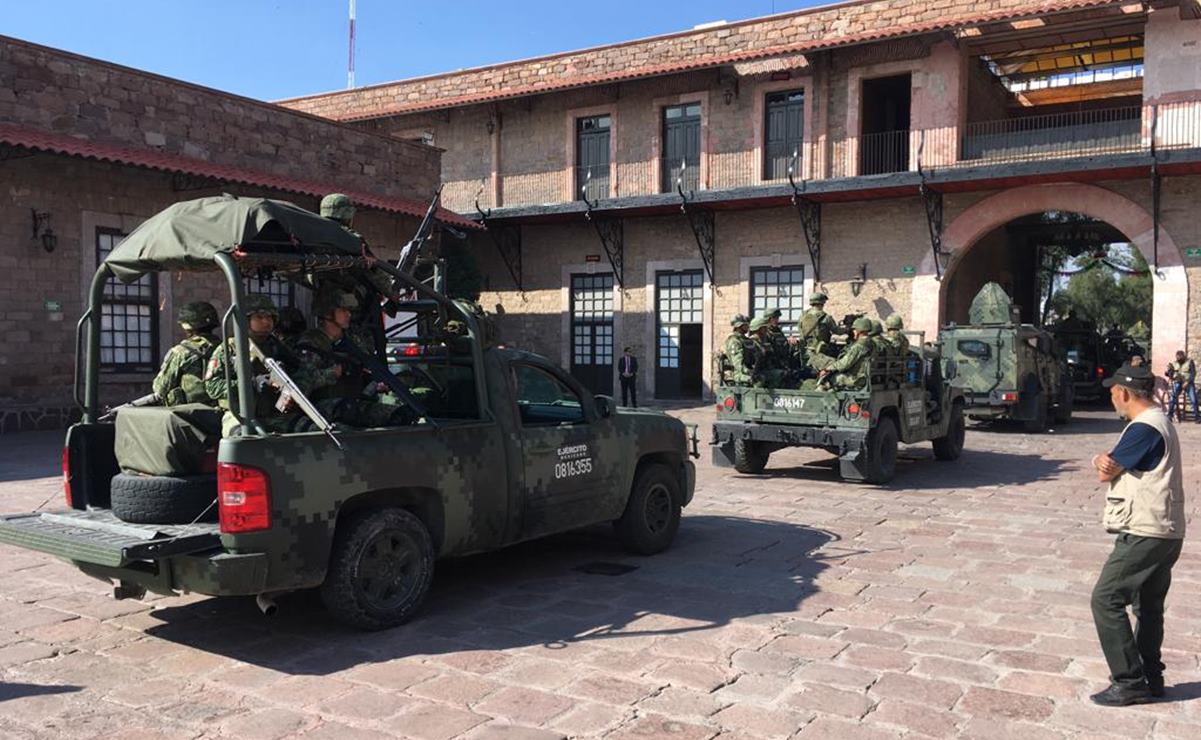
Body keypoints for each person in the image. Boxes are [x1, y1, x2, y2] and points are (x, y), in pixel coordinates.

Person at [1088, 363, 1186, 706]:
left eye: (1114, 392)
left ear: (1125, 393)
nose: (1112, 397)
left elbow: (1106, 471)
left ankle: (1129, 680)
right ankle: (1152, 676)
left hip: (1146, 530)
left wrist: (1102, 458)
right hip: (1167, 530)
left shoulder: (1143, 428)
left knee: (1106, 598)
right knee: (1148, 605)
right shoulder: (1161, 422)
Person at [292, 291, 413, 428]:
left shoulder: (353, 339)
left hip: (354, 402)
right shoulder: (312, 342)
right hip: (323, 408)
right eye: (343, 310)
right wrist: (332, 373)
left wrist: (375, 383)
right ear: (328, 313)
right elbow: (299, 385)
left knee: (400, 415)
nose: (348, 314)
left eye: (349, 310)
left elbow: (366, 367)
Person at [204, 295, 302, 436]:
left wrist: (287, 390)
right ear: (246, 320)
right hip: (239, 415)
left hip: (274, 414)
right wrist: (251, 384)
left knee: (311, 429)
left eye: (270, 317)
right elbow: (212, 387)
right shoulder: (229, 348)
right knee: (242, 438)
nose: (266, 322)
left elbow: (298, 371)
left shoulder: (276, 346)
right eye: (260, 317)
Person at [153, 301, 219, 406]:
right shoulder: (225, 348)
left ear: (186, 326)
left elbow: (161, 388)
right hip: (222, 412)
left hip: (190, 415)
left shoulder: (181, 352)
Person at [818, 316, 874, 390]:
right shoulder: (872, 343)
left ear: (859, 331)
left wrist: (827, 369)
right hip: (864, 377)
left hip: (856, 379)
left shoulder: (858, 346)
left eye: (854, 329)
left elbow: (845, 364)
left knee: (825, 381)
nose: (853, 332)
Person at [797, 292, 845, 358]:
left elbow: (799, 329)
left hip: (805, 349)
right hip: (820, 350)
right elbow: (836, 331)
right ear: (822, 303)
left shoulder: (803, 315)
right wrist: (847, 329)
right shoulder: (826, 317)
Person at [748, 315, 783, 388]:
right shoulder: (752, 342)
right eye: (764, 328)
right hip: (756, 372)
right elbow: (751, 361)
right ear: (758, 329)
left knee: (781, 374)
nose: (766, 329)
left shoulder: (764, 341)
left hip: (765, 369)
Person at [1165, 350, 1198, 423]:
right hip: (1178, 382)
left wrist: (1187, 382)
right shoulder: (1174, 363)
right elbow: (1169, 374)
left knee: (1193, 400)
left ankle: (1197, 417)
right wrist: (1169, 371)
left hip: (1188, 382)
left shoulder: (1189, 362)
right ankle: (1170, 415)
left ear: (1183, 356)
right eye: (1177, 357)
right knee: (1173, 398)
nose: (1178, 358)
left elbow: (1193, 373)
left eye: (1180, 356)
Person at [722, 314, 753, 385]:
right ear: (739, 327)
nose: (748, 327)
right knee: (758, 380)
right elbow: (737, 364)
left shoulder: (746, 340)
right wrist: (749, 371)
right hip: (738, 373)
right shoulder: (734, 341)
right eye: (745, 325)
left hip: (747, 371)